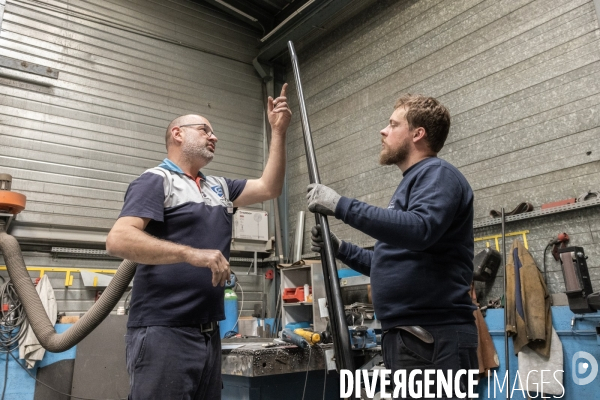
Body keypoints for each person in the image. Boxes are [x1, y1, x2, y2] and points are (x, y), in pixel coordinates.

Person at [106, 84, 291, 400]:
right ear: (177, 134)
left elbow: (270, 188)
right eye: (204, 129)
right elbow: (118, 239)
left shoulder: (218, 187)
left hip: (208, 334)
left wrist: (278, 132)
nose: (214, 136)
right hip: (164, 331)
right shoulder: (156, 180)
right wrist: (191, 254)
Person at [307, 94, 478, 398]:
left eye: (392, 124)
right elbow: (389, 264)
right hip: (411, 338)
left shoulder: (438, 175)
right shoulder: (412, 183)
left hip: (434, 339)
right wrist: (340, 248)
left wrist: (339, 204)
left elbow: (420, 230)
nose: (383, 131)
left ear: (417, 133)